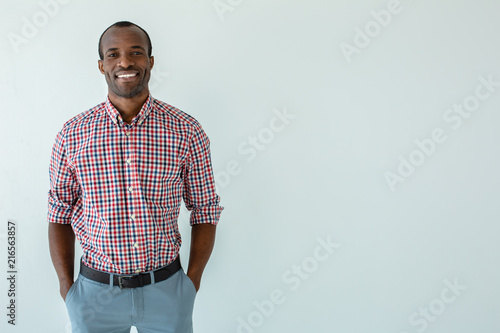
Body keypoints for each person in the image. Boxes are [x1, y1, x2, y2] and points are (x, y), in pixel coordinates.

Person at [47, 21, 223, 333]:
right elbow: (59, 211)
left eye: (136, 53)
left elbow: (205, 208)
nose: (125, 62)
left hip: (167, 292)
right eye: (113, 54)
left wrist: (190, 283)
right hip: (94, 295)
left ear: (150, 61)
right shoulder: (72, 134)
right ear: (102, 65)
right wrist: (68, 288)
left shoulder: (186, 130)